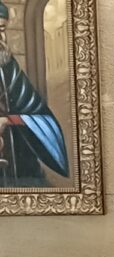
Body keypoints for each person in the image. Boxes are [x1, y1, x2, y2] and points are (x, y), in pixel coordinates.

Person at [0, 0, 68, 187]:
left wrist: (6, 121)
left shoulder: (8, 68)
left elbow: (40, 116)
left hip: (14, 166)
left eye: (2, 29)